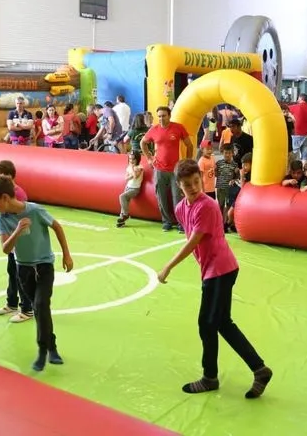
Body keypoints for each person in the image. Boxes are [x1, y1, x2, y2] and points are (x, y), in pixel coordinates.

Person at [157, 159, 273, 399]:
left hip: (220, 270)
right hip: (212, 270)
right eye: (187, 184)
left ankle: (210, 377)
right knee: (221, 323)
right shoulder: (181, 209)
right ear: (179, 186)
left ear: (201, 179)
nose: (193, 187)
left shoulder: (208, 206)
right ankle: (260, 370)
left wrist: (168, 266)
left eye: (196, 181)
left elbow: (193, 242)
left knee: (207, 323)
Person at [0, 176, 74, 371]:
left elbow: (57, 227)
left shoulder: (35, 210)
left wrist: (67, 255)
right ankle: (51, 346)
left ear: (5, 197)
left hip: (44, 266)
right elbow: (6, 249)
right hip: (23, 269)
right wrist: (17, 231)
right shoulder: (2, 219)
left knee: (41, 305)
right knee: (39, 309)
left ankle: (43, 351)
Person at [0, 160, 33, 323]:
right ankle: (12, 303)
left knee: (22, 276)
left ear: (6, 176)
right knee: (12, 273)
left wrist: (16, 238)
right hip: (12, 243)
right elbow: (5, 219)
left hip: (20, 243)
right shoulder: (3, 194)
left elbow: (21, 220)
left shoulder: (18, 194)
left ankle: (27, 308)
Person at [141, 106, 194, 232]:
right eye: (159, 116)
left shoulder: (178, 128)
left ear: (169, 116)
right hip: (159, 170)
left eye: (164, 116)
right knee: (161, 197)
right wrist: (149, 158)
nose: (161, 118)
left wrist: (187, 162)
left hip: (175, 170)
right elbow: (143, 143)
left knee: (177, 198)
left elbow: (189, 145)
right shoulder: (154, 129)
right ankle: (166, 222)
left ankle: (181, 223)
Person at [116, 151, 144, 228]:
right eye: (130, 159)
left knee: (122, 196)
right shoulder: (129, 167)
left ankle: (126, 214)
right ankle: (122, 221)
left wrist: (132, 169)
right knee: (124, 204)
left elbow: (135, 176)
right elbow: (126, 178)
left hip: (135, 189)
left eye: (133, 159)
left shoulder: (140, 167)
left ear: (137, 159)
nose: (131, 161)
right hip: (128, 187)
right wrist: (131, 174)